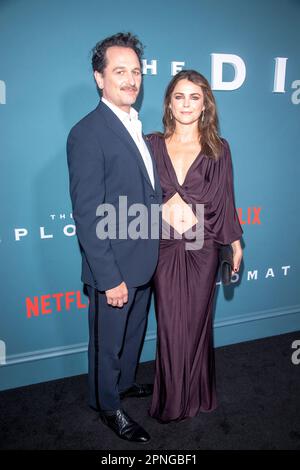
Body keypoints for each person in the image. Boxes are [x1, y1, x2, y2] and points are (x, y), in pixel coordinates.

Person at [67, 32, 162, 442]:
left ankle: (123, 385)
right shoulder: (88, 131)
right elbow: (87, 214)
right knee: (107, 343)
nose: (130, 79)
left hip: (143, 260)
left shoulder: (136, 126)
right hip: (114, 269)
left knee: (133, 335)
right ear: (99, 78)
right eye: (119, 71)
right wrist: (108, 278)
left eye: (136, 71)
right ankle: (108, 405)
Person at [147, 70, 243, 423]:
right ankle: (173, 399)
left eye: (194, 97)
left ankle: (199, 391)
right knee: (171, 323)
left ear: (205, 106)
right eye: (179, 97)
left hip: (202, 247)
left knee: (200, 322)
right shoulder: (150, 144)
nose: (186, 104)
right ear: (169, 104)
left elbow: (225, 200)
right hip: (163, 246)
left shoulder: (219, 148)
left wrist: (234, 243)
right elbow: (135, 195)